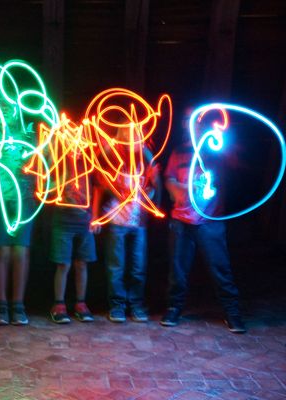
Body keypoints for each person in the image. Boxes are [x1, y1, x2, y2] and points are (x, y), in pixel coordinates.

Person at [160, 110, 246, 334]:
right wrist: (177, 189)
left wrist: (220, 141)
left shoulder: (215, 150)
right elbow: (168, 179)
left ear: (203, 122)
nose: (193, 122)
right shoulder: (179, 152)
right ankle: (174, 308)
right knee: (178, 269)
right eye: (188, 119)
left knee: (220, 267)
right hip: (181, 219)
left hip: (210, 220)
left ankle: (232, 312)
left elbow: (236, 163)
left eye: (196, 119)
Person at [95, 125, 161, 323]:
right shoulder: (113, 158)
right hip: (116, 220)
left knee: (138, 266)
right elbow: (100, 180)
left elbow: (154, 191)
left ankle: (136, 305)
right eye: (127, 133)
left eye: (134, 133)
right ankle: (117, 306)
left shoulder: (146, 159)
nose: (131, 137)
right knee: (116, 265)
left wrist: (153, 180)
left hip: (138, 221)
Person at [0, 103, 35, 326]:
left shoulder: (29, 132)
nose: (5, 111)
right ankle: (1, 305)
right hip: (1, 197)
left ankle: (18, 305)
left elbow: (38, 163)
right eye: (2, 107)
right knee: (2, 251)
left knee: (20, 251)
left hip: (24, 199)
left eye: (10, 107)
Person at [48, 127, 97, 324]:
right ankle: (58, 304)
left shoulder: (89, 165)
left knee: (82, 263)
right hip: (63, 220)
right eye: (71, 142)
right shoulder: (58, 164)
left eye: (79, 142)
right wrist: (60, 185)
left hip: (84, 221)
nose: (75, 146)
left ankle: (80, 303)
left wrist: (94, 216)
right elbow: (45, 189)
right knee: (63, 264)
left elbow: (94, 191)